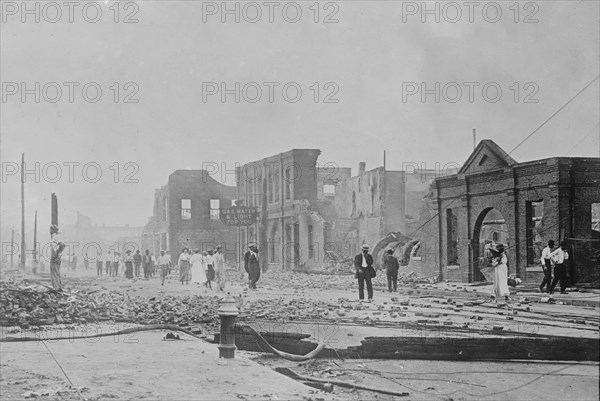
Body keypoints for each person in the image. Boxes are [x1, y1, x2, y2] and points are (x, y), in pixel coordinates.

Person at [49, 225, 66, 291]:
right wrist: (59, 252)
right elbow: (62, 245)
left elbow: (63, 245)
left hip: (54, 258)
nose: (49, 231)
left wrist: (57, 253)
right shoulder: (56, 237)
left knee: (54, 273)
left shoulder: (54, 237)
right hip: (57, 258)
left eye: (50, 229)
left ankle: (56, 288)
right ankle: (58, 287)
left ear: (53, 230)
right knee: (57, 272)